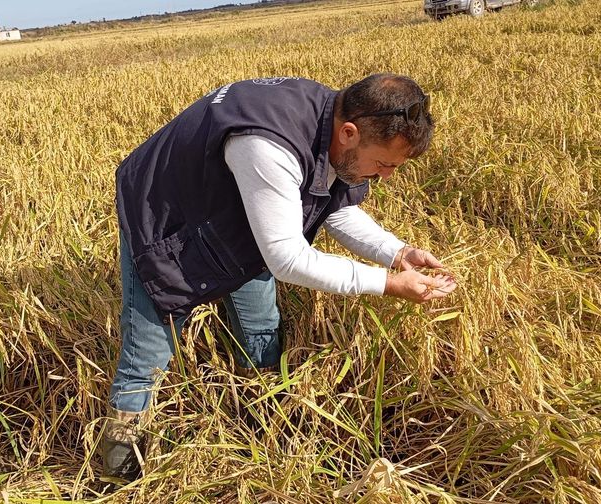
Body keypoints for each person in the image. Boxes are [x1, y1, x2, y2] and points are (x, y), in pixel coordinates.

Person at [103, 73, 457, 481]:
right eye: (383, 163)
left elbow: (332, 206)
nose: (386, 176)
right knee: (147, 353)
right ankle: (119, 472)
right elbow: (287, 258)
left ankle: (259, 427)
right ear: (349, 132)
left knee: (261, 328)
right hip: (167, 217)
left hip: (238, 218)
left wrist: (396, 253)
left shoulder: (334, 126)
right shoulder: (269, 144)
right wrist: (388, 284)